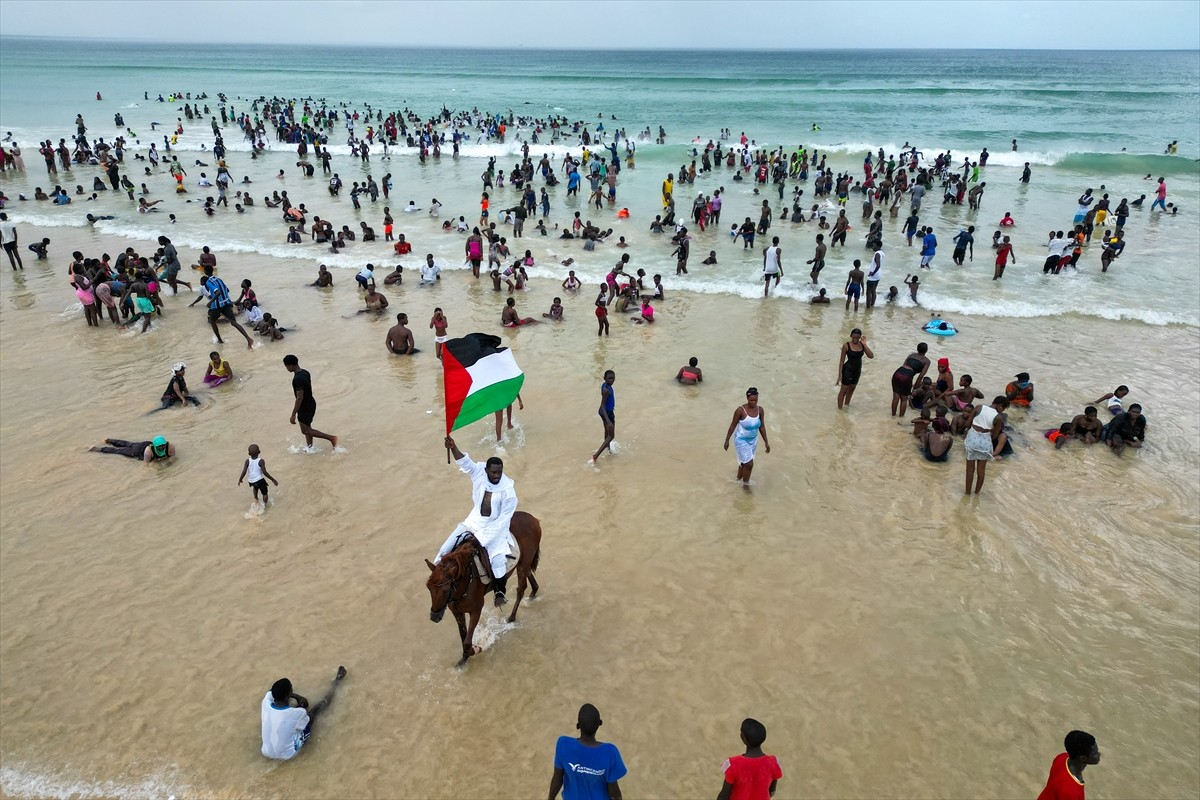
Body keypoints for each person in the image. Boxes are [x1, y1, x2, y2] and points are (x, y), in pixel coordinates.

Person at [433, 435, 519, 606]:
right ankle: (438, 582)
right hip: (473, 521)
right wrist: (453, 447)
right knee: (444, 550)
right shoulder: (479, 471)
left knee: (497, 561)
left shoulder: (508, 492)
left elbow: (503, 520)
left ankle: (499, 592)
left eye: (499, 472)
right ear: (486, 470)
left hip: (495, 528)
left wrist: (482, 538)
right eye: (494, 472)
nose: (497, 476)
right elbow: (465, 463)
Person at [260, 667, 348, 761]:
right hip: (288, 755)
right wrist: (298, 697)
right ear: (288, 695)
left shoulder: (265, 702)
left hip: (265, 752)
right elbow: (305, 706)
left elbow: (272, 690)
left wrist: (291, 695)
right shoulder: (299, 713)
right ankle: (337, 682)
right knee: (314, 711)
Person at [548, 704, 626, 800]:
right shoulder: (610, 752)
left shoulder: (563, 744)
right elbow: (614, 794)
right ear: (599, 724)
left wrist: (550, 798)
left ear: (578, 725)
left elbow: (557, 780)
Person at [716, 718, 782, 800]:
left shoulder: (733, 764)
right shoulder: (773, 763)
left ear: (743, 738)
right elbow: (771, 791)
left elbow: (724, 796)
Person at [283, 354, 338, 451]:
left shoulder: (298, 379)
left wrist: (293, 414)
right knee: (308, 428)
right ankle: (310, 447)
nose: (286, 369)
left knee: (305, 430)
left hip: (304, 407)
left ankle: (331, 438)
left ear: (290, 366)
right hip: (311, 403)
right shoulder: (305, 372)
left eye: (286, 366)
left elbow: (299, 398)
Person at [723, 387, 770, 487]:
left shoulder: (760, 410)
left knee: (744, 462)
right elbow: (732, 425)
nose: (753, 402)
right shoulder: (740, 410)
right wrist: (727, 440)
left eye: (755, 400)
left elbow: (762, 426)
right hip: (741, 439)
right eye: (751, 400)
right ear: (747, 398)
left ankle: (738, 479)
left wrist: (766, 442)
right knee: (749, 463)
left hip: (753, 441)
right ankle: (745, 485)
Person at [1036, 730, 1100, 800]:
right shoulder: (1071, 793)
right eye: (1095, 753)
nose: (1099, 754)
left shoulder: (1061, 758)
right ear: (1083, 758)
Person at [964, 397, 1009, 494]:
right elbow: (995, 436)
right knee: (981, 471)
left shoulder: (979, 407)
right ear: (1000, 405)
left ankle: (967, 493)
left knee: (970, 470)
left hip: (972, 439)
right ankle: (976, 493)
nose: (1002, 411)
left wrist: (970, 432)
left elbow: (968, 424)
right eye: (1003, 408)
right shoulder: (998, 417)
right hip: (985, 442)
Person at [203, 266, 254, 349]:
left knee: (212, 321)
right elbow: (227, 290)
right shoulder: (219, 279)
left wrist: (210, 302)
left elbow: (218, 293)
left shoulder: (208, 282)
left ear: (205, 272)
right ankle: (248, 339)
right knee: (234, 323)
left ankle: (220, 340)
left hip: (217, 305)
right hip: (226, 303)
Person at [836, 329, 873, 409]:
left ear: (860, 337)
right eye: (854, 337)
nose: (855, 339)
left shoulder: (862, 345)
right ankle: (839, 410)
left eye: (857, 337)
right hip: (848, 370)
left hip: (857, 370)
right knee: (843, 391)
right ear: (851, 336)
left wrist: (865, 345)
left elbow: (871, 356)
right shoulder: (846, 345)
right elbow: (842, 361)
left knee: (852, 389)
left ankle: (846, 406)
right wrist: (840, 375)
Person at [890, 343, 930, 417]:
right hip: (907, 376)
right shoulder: (926, 361)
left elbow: (904, 365)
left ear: (917, 349)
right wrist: (915, 388)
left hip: (898, 372)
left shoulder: (911, 355)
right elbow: (921, 376)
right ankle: (901, 418)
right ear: (926, 350)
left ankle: (893, 416)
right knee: (904, 399)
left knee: (895, 398)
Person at [589, 370, 618, 464]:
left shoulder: (605, 385)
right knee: (611, 436)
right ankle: (595, 456)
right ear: (605, 378)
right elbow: (602, 405)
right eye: (609, 378)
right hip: (606, 413)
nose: (611, 380)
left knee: (607, 431)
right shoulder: (606, 390)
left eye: (613, 378)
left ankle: (608, 449)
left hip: (604, 412)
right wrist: (608, 421)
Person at [89, 435, 174, 463]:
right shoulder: (149, 451)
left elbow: (173, 457)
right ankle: (97, 449)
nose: (161, 448)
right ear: (155, 446)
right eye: (159, 447)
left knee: (128, 443)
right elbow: (146, 463)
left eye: (163, 446)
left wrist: (170, 462)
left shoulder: (170, 446)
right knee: (118, 451)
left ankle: (110, 440)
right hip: (138, 450)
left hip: (143, 444)